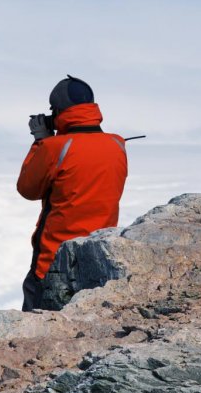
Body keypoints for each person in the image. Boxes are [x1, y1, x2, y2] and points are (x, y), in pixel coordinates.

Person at [17, 75, 128, 312]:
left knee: (37, 322)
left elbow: (28, 189)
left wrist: (40, 142)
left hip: (53, 259)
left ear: (59, 111)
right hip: (98, 254)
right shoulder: (117, 145)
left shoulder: (56, 147)